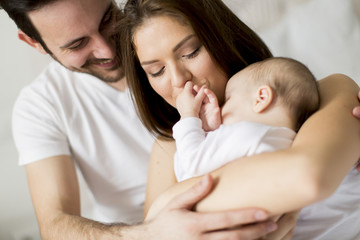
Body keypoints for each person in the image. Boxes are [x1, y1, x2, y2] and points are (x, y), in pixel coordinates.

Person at [0, 0, 294, 239]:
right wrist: (152, 232)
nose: (106, 49)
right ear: (34, 43)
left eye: (106, 19)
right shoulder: (41, 105)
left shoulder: (160, 32)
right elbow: (54, 223)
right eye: (77, 44)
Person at [120, 0, 360, 239]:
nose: (178, 80)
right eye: (156, 71)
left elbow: (308, 177)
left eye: (190, 52)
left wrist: (170, 202)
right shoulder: (168, 148)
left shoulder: (325, 92)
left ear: (222, 38)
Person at [172, 57, 319, 182]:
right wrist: (209, 131)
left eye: (228, 100)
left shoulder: (246, 134)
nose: (221, 109)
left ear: (261, 98)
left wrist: (188, 115)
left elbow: (189, 168)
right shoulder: (290, 143)